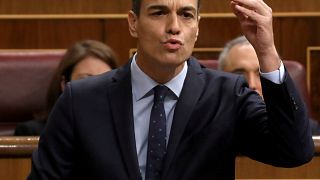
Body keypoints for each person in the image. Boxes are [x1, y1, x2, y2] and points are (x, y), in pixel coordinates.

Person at [28, 0, 314, 179]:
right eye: (159, 12)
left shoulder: (228, 95)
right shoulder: (81, 100)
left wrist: (266, 51)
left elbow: (294, 151)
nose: (174, 26)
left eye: (187, 14)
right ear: (133, 23)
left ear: (198, 27)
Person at [218, 35, 320, 135]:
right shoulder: (210, 129)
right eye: (239, 74)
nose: (251, 84)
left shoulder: (305, 132)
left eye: (261, 75)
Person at [14, 40, 118, 136]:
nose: (95, 87)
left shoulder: (123, 132)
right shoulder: (31, 132)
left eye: (104, 79)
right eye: (85, 79)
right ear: (64, 84)